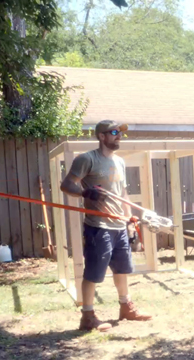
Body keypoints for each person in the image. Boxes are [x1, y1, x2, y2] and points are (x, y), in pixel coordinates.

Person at [60, 120, 152, 331]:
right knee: (93, 272)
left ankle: (126, 307)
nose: (119, 136)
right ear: (101, 136)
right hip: (98, 226)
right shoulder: (87, 159)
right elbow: (66, 185)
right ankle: (88, 316)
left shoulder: (119, 161)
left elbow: (123, 193)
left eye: (120, 132)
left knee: (121, 269)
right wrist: (83, 192)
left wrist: (129, 220)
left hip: (119, 225)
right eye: (114, 132)